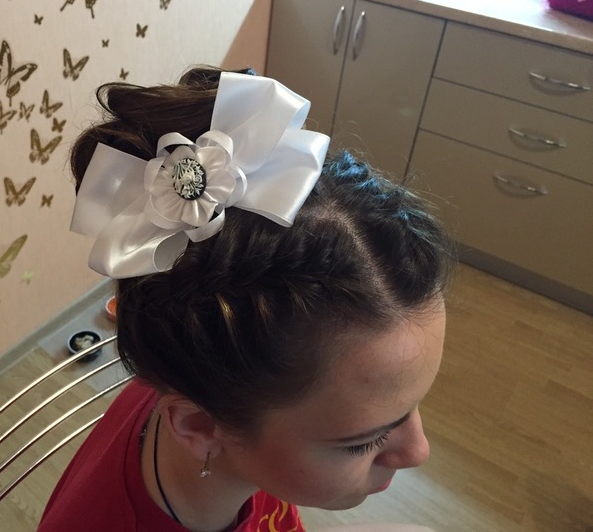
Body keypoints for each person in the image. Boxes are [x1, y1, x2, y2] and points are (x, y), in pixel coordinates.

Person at [37, 66, 454, 532]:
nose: (418, 451)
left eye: (410, 407)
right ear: (198, 427)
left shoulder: (208, 375)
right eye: (361, 443)